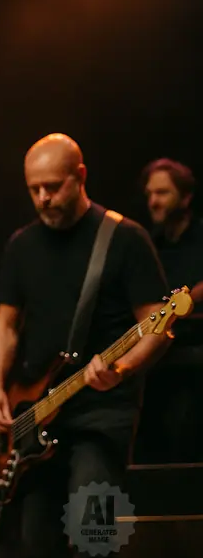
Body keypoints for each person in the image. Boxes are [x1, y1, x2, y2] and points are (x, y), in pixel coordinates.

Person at [0, 133, 171, 557]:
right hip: (38, 411)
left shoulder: (125, 239)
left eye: (54, 186)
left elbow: (156, 325)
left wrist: (121, 369)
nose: (44, 198)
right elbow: (5, 323)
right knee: (35, 540)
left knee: (95, 535)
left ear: (80, 176)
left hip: (102, 416)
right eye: (35, 189)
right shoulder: (22, 244)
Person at [133, 158, 203, 463]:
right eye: (149, 194)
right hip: (157, 355)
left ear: (186, 198)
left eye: (162, 193)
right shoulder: (148, 244)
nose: (153, 201)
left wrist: (184, 301)